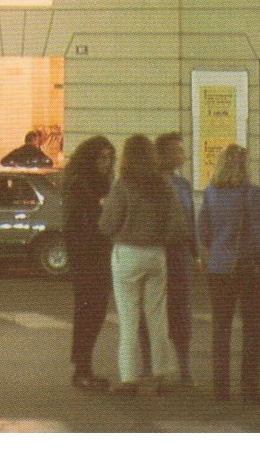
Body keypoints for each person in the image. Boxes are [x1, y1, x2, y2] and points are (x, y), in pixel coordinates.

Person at [99, 134, 189, 394]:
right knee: (157, 317)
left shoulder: (123, 185)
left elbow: (107, 225)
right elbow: (179, 226)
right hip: (156, 254)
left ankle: (129, 379)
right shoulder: (164, 186)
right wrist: (159, 238)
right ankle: (161, 374)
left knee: (129, 320)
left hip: (127, 254)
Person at [197, 144, 260, 402]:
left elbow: (203, 232)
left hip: (219, 269)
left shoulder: (210, 194)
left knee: (221, 329)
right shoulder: (253, 194)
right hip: (248, 268)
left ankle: (221, 388)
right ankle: (249, 389)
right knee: (252, 329)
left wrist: (218, 250)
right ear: (243, 166)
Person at [63, 135, 117, 391]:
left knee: (93, 313)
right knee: (89, 313)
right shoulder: (81, 185)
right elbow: (83, 224)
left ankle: (82, 366)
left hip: (96, 256)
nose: (107, 163)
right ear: (90, 159)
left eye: (110, 157)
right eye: (102, 157)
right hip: (87, 257)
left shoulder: (100, 184)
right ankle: (82, 369)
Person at [155, 131, 196, 384]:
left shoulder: (182, 184)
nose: (183, 154)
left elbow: (189, 219)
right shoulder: (152, 183)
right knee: (156, 310)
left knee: (181, 311)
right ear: (163, 154)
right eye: (177, 150)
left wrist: (193, 252)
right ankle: (154, 368)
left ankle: (183, 368)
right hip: (159, 252)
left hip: (180, 254)